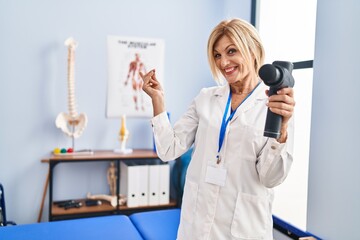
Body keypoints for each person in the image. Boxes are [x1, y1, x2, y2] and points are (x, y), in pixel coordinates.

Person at [140, 18, 295, 240]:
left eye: (231, 51)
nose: (223, 62)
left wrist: (283, 130)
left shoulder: (276, 104)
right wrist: (158, 99)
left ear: (252, 50)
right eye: (217, 55)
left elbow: (270, 178)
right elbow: (168, 150)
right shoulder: (206, 98)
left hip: (244, 230)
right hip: (196, 227)